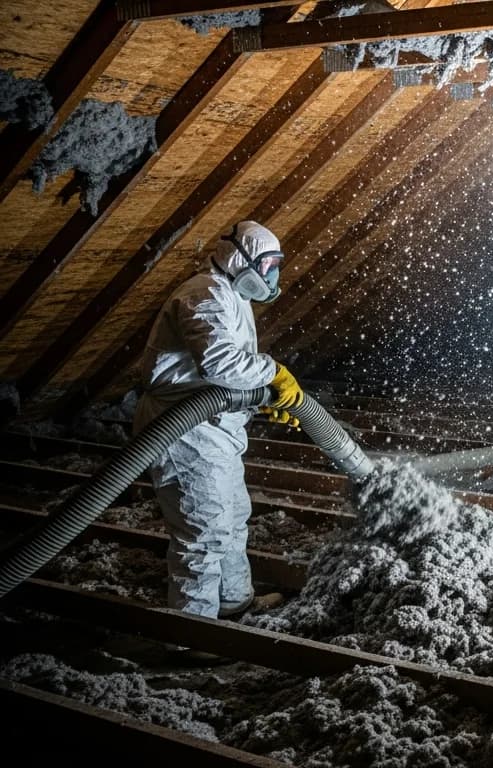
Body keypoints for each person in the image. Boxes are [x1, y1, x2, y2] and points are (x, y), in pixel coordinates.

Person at [134, 220, 303, 634]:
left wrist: (257, 398)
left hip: (216, 428)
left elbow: (222, 373)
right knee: (202, 531)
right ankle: (194, 636)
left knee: (233, 517)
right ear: (240, 260)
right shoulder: (204, 294)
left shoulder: (232, 295)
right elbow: (219, 362)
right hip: (184, 430)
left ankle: (233, 603)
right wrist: (272, 373)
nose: (273, 275)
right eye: (269, 264)